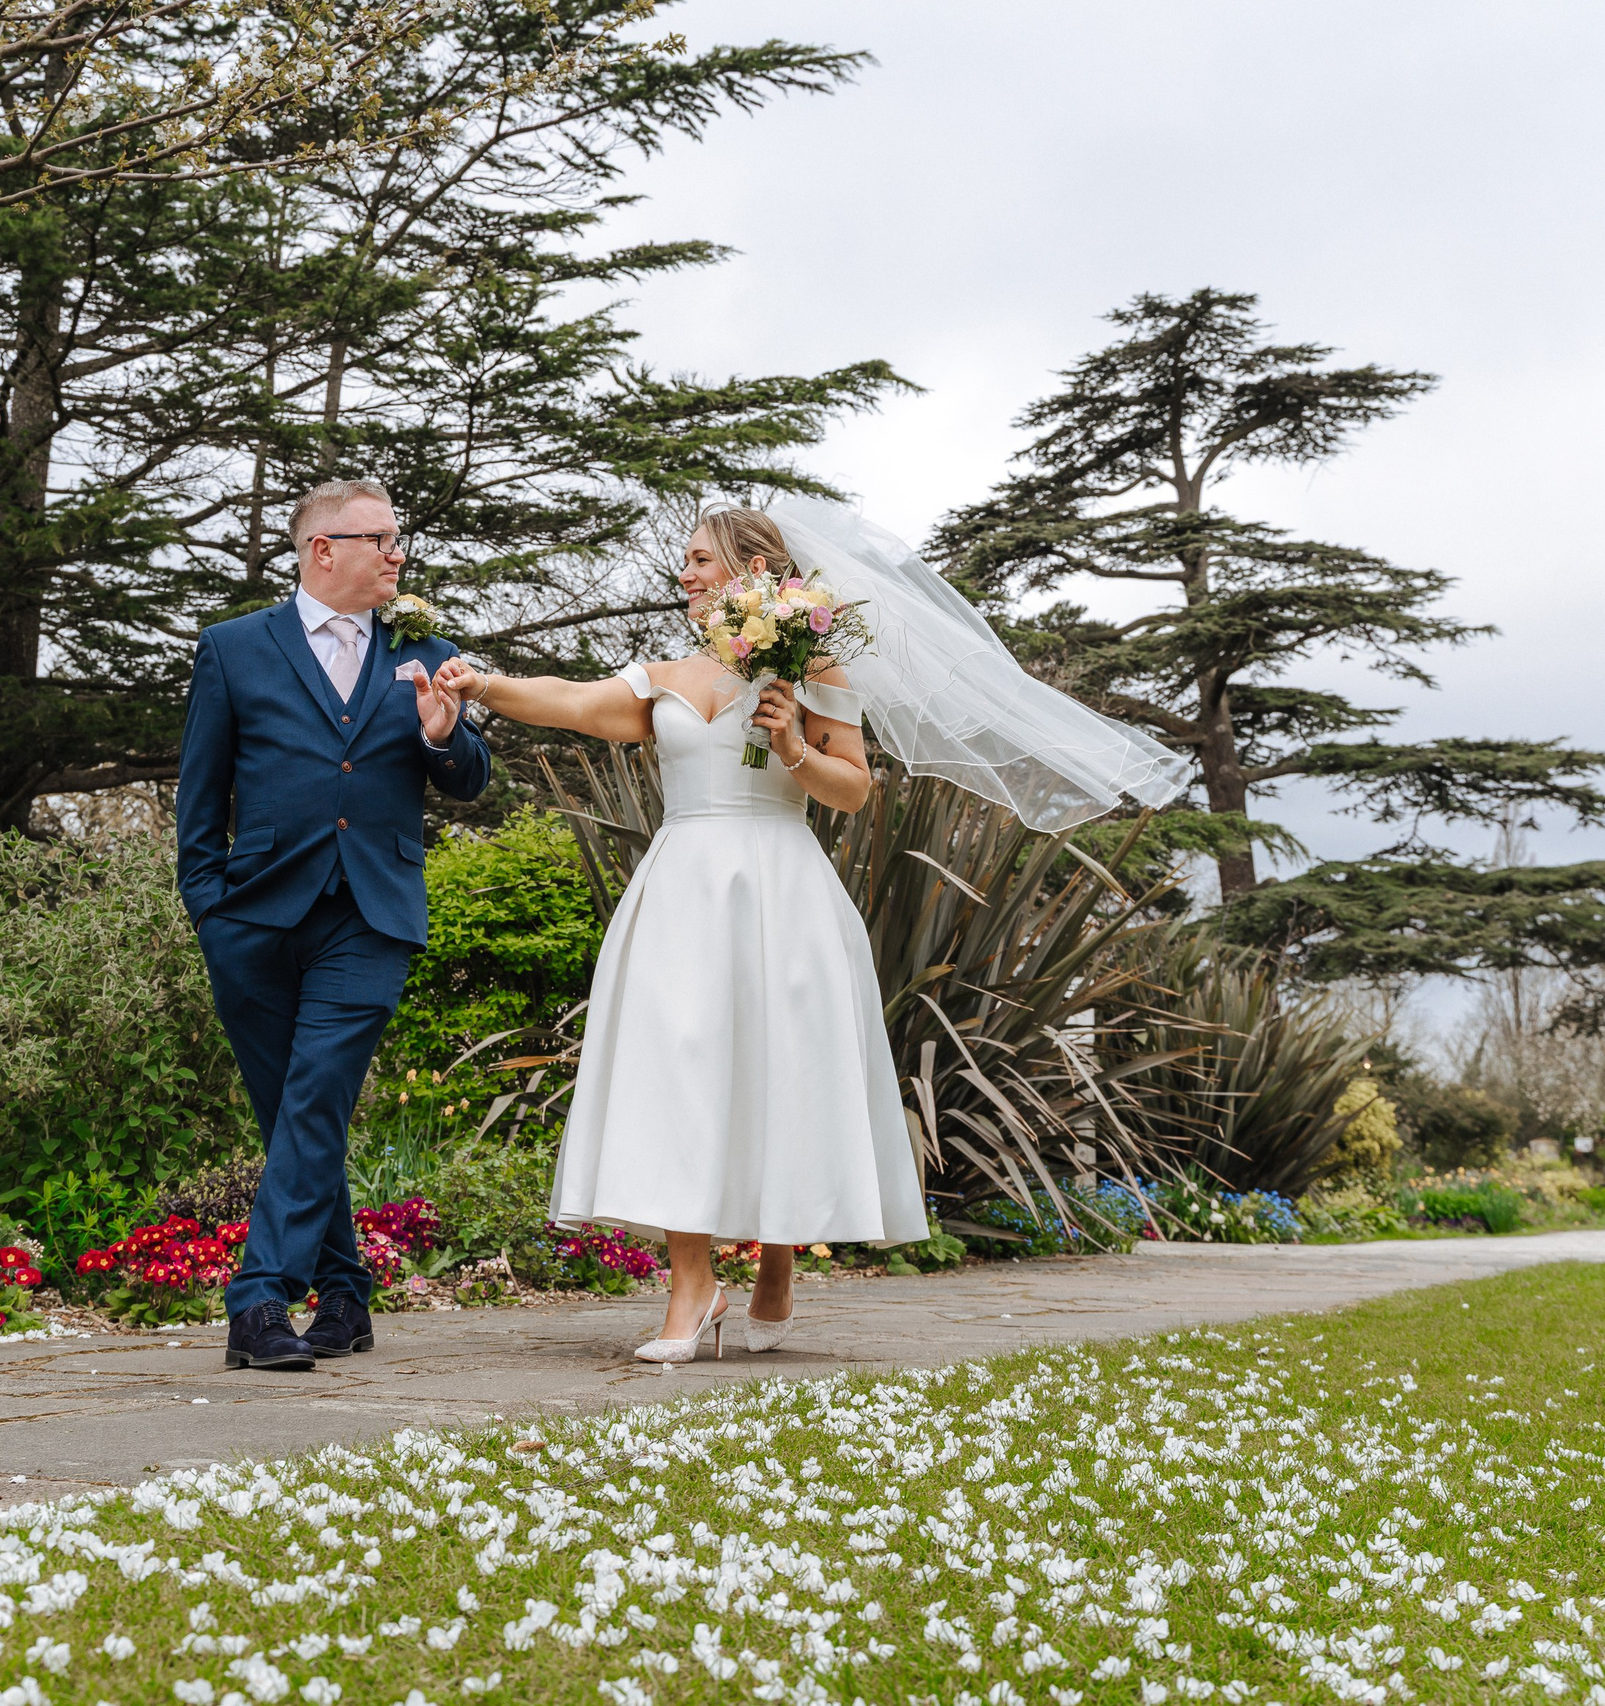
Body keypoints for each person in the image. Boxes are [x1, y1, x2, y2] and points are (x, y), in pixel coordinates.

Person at [434, 500, 1188, 1364]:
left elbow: (853, 789)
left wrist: (793, 744)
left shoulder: (815, 669)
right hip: (683, 892)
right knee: (680, 1073)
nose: (684, 574)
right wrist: (481, 685)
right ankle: (690, 1288)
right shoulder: (668, 677)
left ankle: (778, 1266)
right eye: (685, 561)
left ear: (755, 574)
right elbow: (570, 701)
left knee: (779, 1072)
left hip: (784, 890)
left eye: (701, 560)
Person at [178, 478, 492, 1371]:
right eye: (383, 539)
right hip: (253, 915)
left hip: (371, 913)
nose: (399, 554)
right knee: (293, 1117)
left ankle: (258, 1302)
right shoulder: (234, 649)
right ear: (324, 549)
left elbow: (471, 778)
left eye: (399, 539)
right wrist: (208, 907)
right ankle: (345, 1296)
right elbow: (200, 793)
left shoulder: (427, 649)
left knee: (315, 1098)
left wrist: (441, 733)